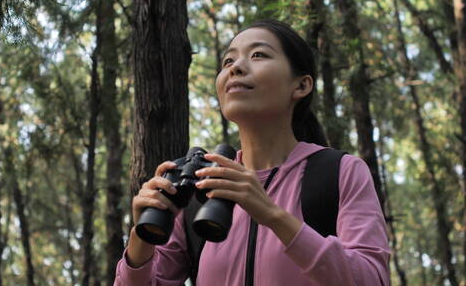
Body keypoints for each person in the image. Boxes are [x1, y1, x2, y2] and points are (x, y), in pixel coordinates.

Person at [114, 19, 390, 286]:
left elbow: (371, 279)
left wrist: (272, 214)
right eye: (228, 61)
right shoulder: (203, 187)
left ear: (301, 85)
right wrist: (141, 239)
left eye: (258, 55)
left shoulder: (341, 171)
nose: (236, 68)